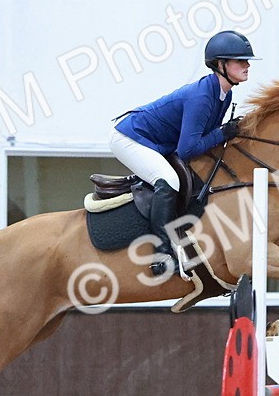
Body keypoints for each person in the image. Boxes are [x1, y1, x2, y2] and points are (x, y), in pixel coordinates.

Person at [109, 30, 258, 275]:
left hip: (157, 142)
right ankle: (161, 255)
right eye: (240, 60)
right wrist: (223, 133)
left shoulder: (224, 93)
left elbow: (203, 138)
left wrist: (224, 133)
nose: (247, 65)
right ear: (220, 64)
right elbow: (187, 149)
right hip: (130, 138)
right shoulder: (202, 96)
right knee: (168, 180)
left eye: (247, 60)